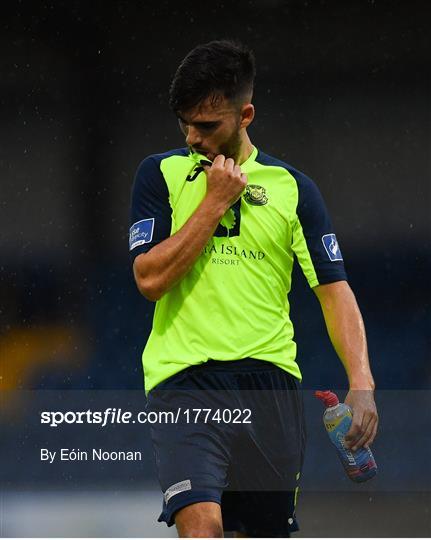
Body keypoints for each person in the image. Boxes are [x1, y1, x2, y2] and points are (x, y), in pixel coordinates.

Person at [129, 40, 378, 538]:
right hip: (185, 383)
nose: (193, 137)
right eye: (185, 124)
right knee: (203, 529)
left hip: (269, 387)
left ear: (245, 115)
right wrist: (214, 203)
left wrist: (362, 382)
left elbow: (333, 289)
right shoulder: (159, 174)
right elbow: (149, 279)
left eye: (207, 126)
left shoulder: (293, 188)